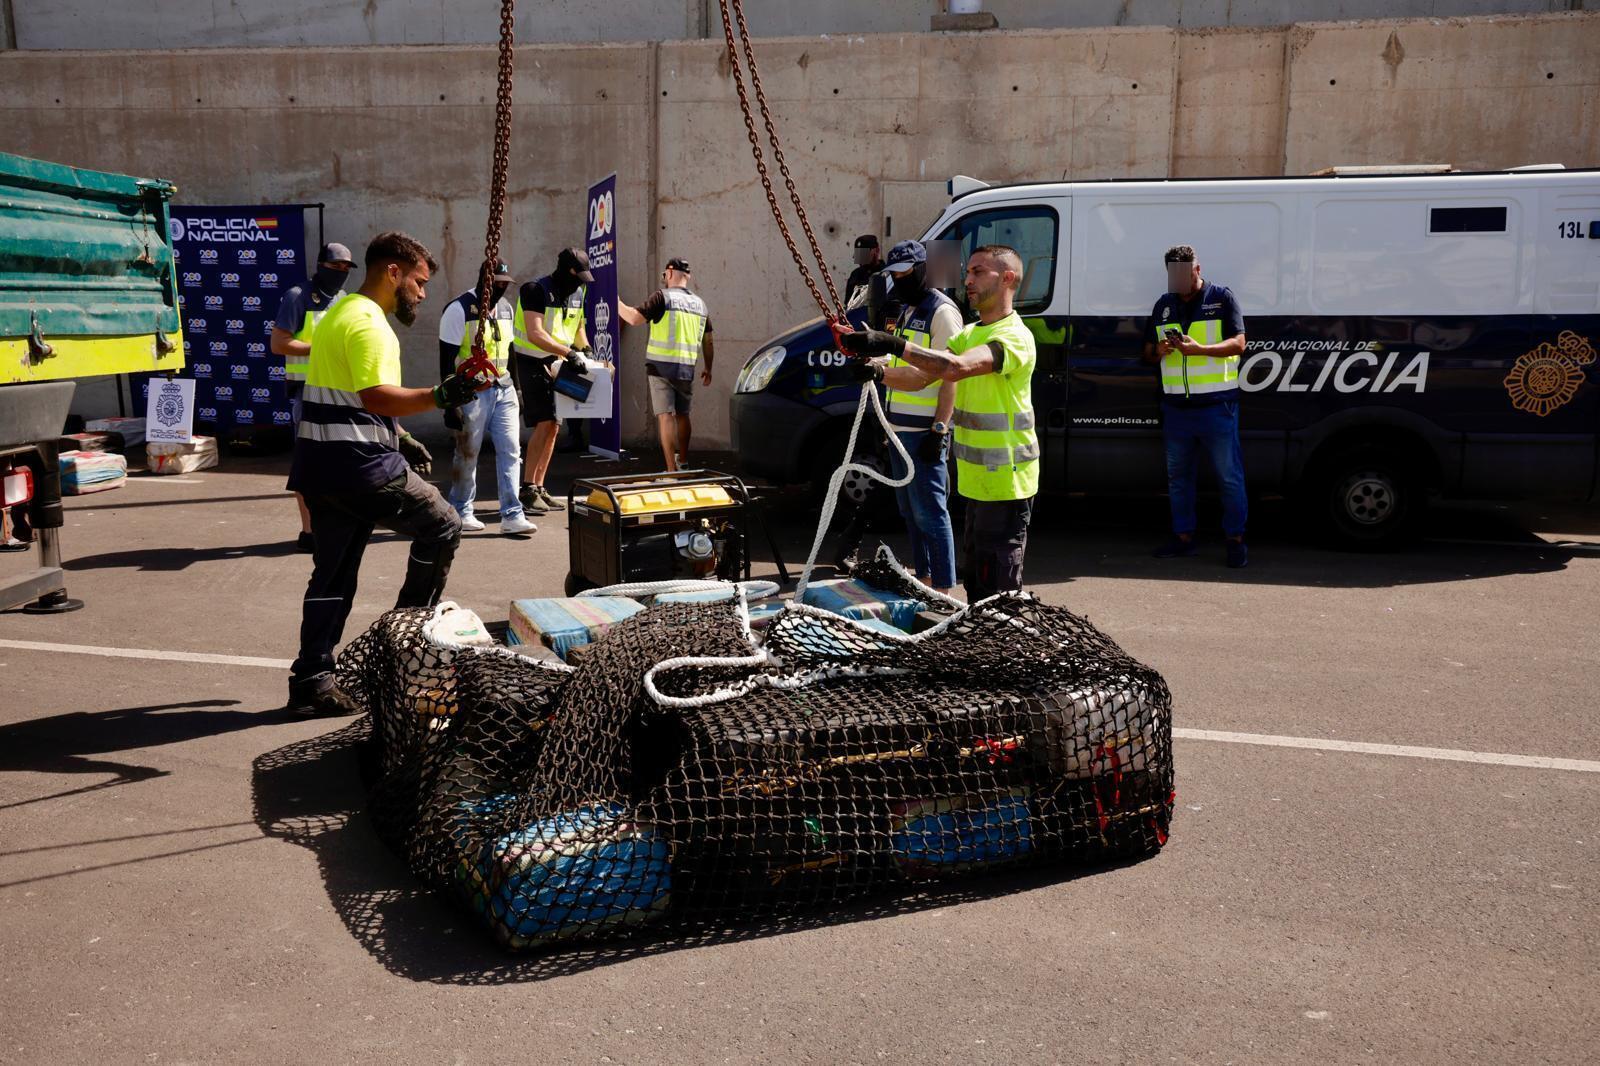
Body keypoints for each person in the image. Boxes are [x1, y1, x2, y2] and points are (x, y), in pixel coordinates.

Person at [285, 231, 491, 716]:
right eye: (418, 282)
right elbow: (375, 395)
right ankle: (402, 646)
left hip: (319, 469)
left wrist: (398, 435)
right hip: (361, 467)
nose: (422, 293)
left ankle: (311, 678)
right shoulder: (370, 324)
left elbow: (349, 390)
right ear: (392, 272)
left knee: (331, 576)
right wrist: (442, 395)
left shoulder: (337, 311)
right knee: (443, 525)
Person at [841, 245, 1038, 601]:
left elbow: (957, 368)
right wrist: (878, 371)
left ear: (1007, 278)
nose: (968, 280)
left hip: (1008, 485)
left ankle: (996, 646)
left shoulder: (1014, 336)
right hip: (979, 485)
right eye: (968, 272)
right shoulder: (971, 333)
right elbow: (921, 377)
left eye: (979, 272)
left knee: (999, 591)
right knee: (978, 584)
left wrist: (891, 344)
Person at [1141, 244, 1249, 568]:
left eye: (1186, 275)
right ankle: (1183, 537)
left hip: (1217, 407)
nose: (1180, 282)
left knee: (1229, 477)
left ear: (1197, 270)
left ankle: (1236, 540)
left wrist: (1200, 349)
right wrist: (1159, 350)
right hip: (1176, 410)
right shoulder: (1163, 305)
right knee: (1178, 478)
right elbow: (1146, 354)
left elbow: (1239, 344)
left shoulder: (1222, 297)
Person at [872, 240, 962, 595]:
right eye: (894, 274)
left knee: (931, 513)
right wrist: (873, 363)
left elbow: (949, 373)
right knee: (910, 512)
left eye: (906, 272)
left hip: (922, 430)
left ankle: (943, 588)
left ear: (924, 269)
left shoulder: (942, 312)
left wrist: (939, 429)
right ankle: (924, 578)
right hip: (899, 428)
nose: (899, 280)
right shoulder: (909, 309)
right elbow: (901, 364)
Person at [440, 260, 535, 536]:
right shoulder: (459, 309)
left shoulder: (505, 309)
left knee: (511, 450)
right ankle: (460, 509)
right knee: (468, 451)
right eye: (497, 283)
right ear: (484, 280)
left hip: (503, 388)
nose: (501, 289)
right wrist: (450, 403)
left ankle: (512, 513)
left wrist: (517, 388)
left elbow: (512, 351)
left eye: (505, 285)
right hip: (471, 392)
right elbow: (445, 359)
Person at [270, 242, 355, 552]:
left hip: (339, 390)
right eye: (335, 267)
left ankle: (332, 526)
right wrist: (320, 349)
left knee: (339, 463)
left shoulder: (344, 299)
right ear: (320, 266)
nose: (341, 273)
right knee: (309, 464)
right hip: (307, 391)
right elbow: (278, 344)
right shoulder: (297, 296)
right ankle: (309, 533)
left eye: (346, 268)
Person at [512, 247, 592, 517]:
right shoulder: (535, 289)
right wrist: (568, 352)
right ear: (566, 270)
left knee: (555, 426)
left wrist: (586, 350)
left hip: (559, 363)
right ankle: (527, 489)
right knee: (545, 421)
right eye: (577, 275)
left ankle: (540, 486)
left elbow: (578, 326)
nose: (581, 281)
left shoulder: (579, 292)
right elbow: (535, 333)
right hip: (533, 362)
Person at [617, 257, 714, 471]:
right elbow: (708, 340)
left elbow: (634, 319)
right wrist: (708, 368)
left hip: (660, 367)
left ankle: (671, 470)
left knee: (665, 416)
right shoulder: (700, 304)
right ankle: (684, 462)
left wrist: (614, 300)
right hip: (686, 368)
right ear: (687, 277)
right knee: (683, 414)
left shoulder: (662, 297)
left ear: (669, 273)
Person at [844, 234, 881, 305]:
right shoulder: (855, 275)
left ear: (876, 251)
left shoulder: (886, 273)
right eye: (859, 254)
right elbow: (848, 304)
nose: (861, 258)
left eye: (864, 253)